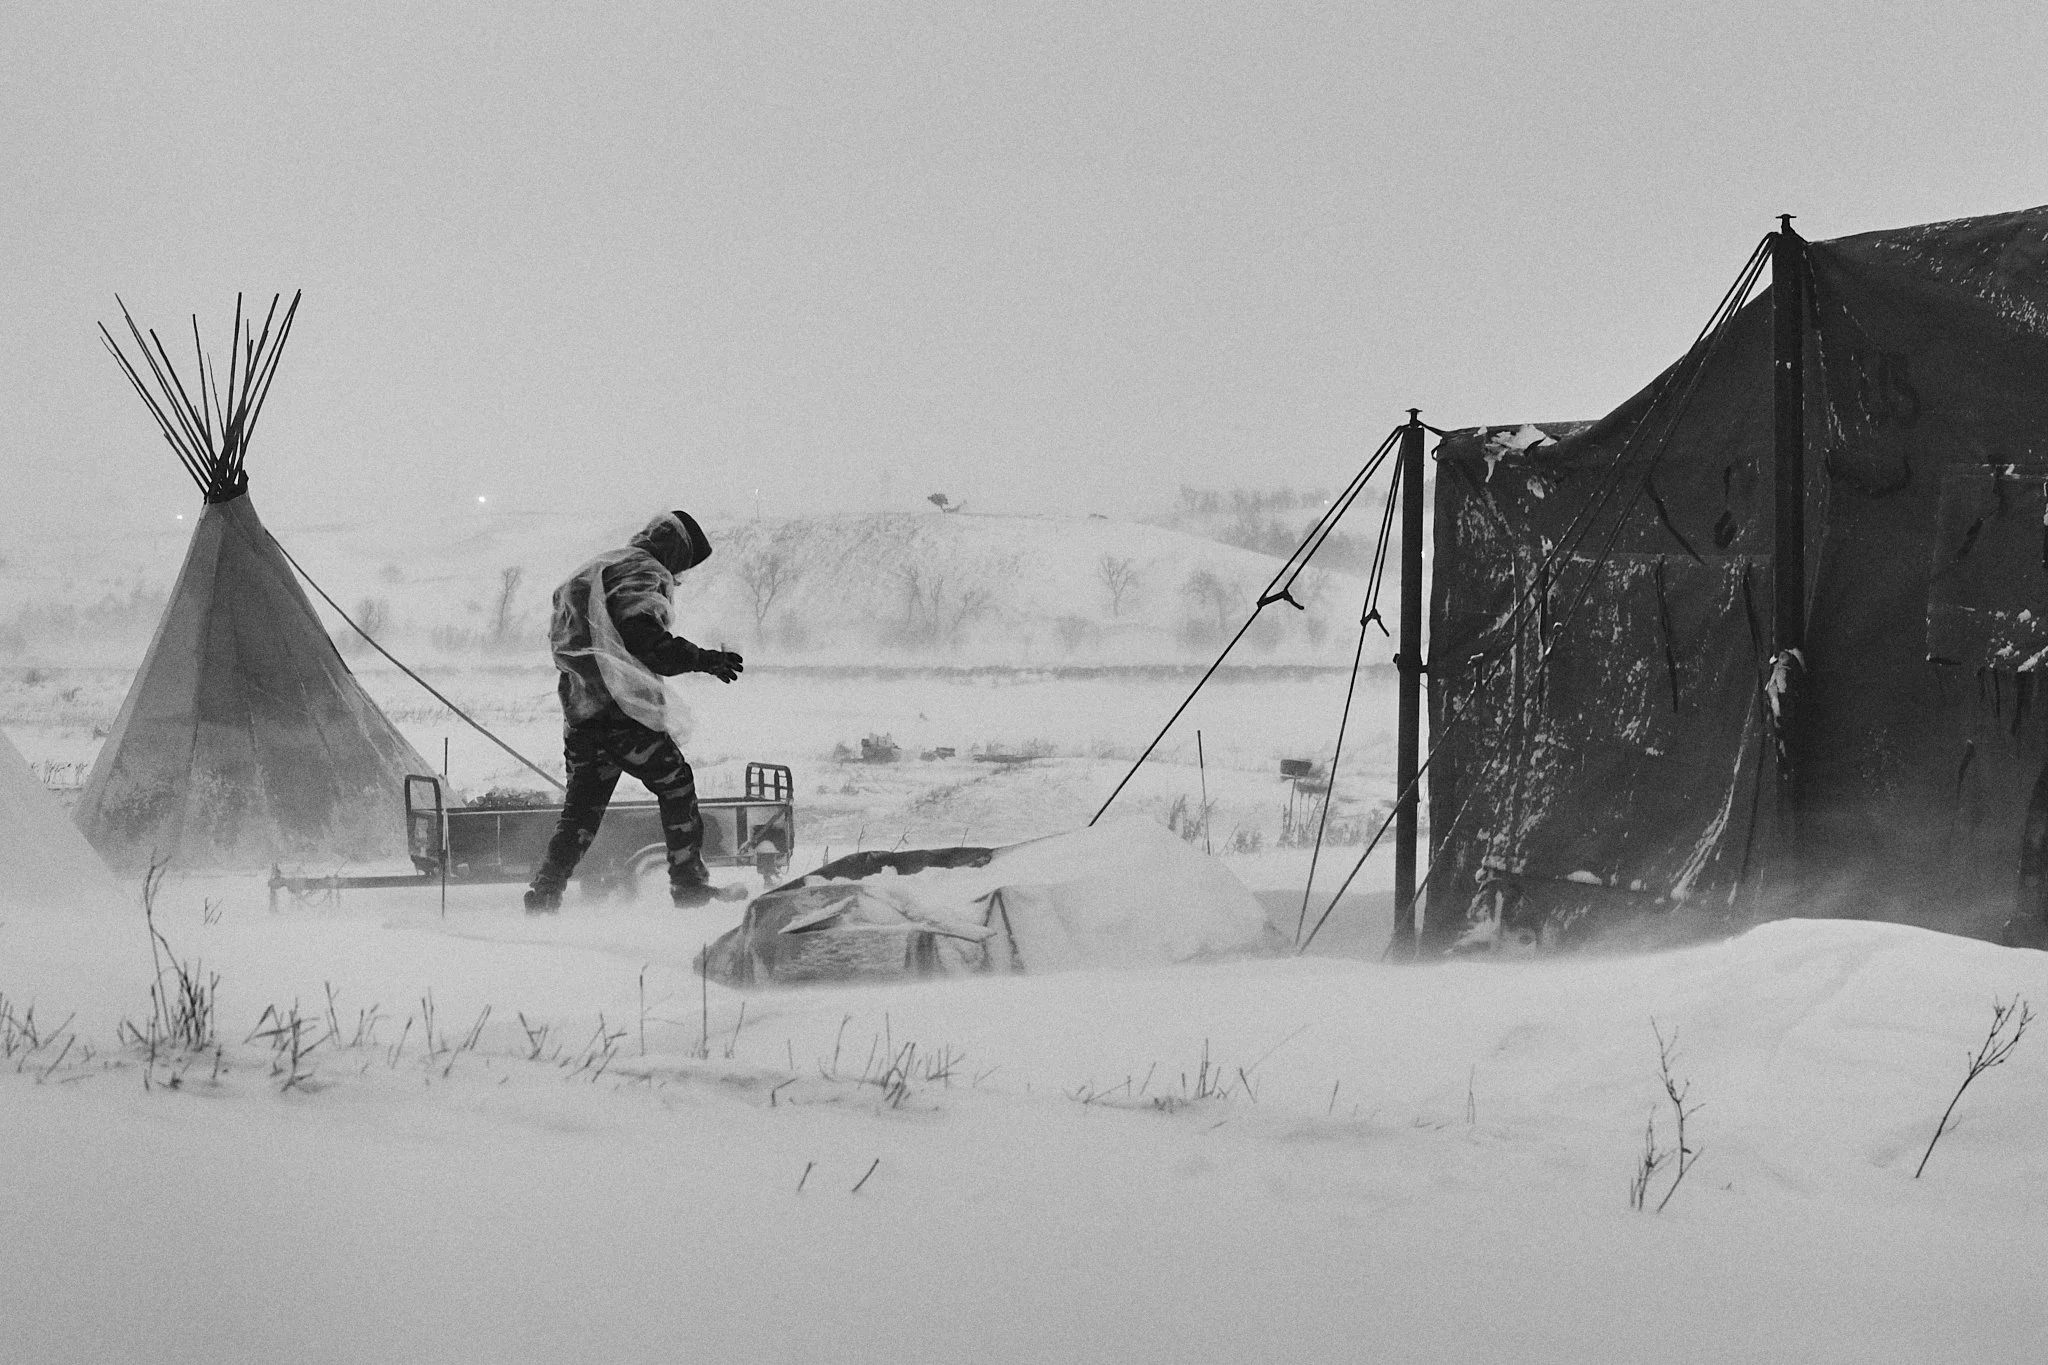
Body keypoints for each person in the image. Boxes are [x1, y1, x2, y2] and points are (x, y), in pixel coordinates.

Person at [523, 510, 745, 913]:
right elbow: (646, 641)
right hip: (621, 713)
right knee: (676, 785)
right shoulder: (643, 572)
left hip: (582, 713)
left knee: (580, 814)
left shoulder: (597, 568)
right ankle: (689, 885)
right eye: (684, 566)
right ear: (675, 553)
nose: (680, 577)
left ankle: (543, 895)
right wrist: (705, 659)